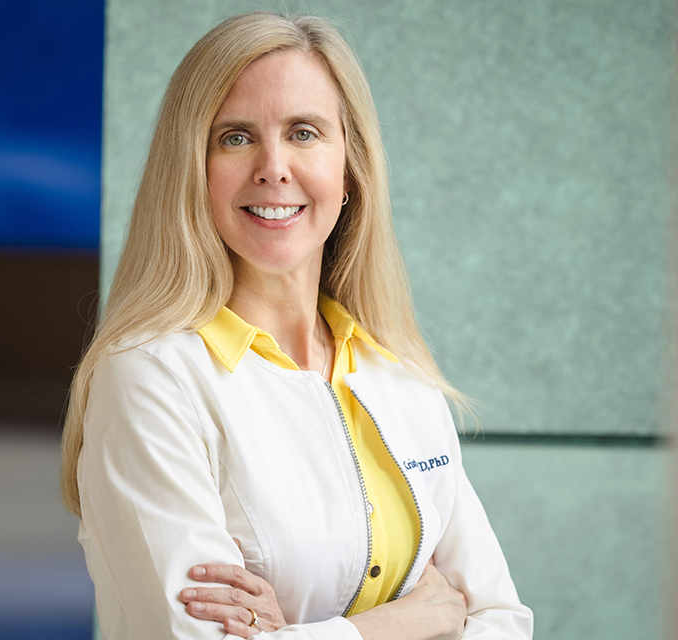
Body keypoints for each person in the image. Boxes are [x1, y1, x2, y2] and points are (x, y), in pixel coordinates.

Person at [61, 11, 533, 640]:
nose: (273, 166)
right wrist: (399, 625)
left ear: (349, 169)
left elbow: (502, 621)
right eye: (234, 137)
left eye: (304, 132)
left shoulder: (397, 372)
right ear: (191, 170)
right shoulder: (149, 377)